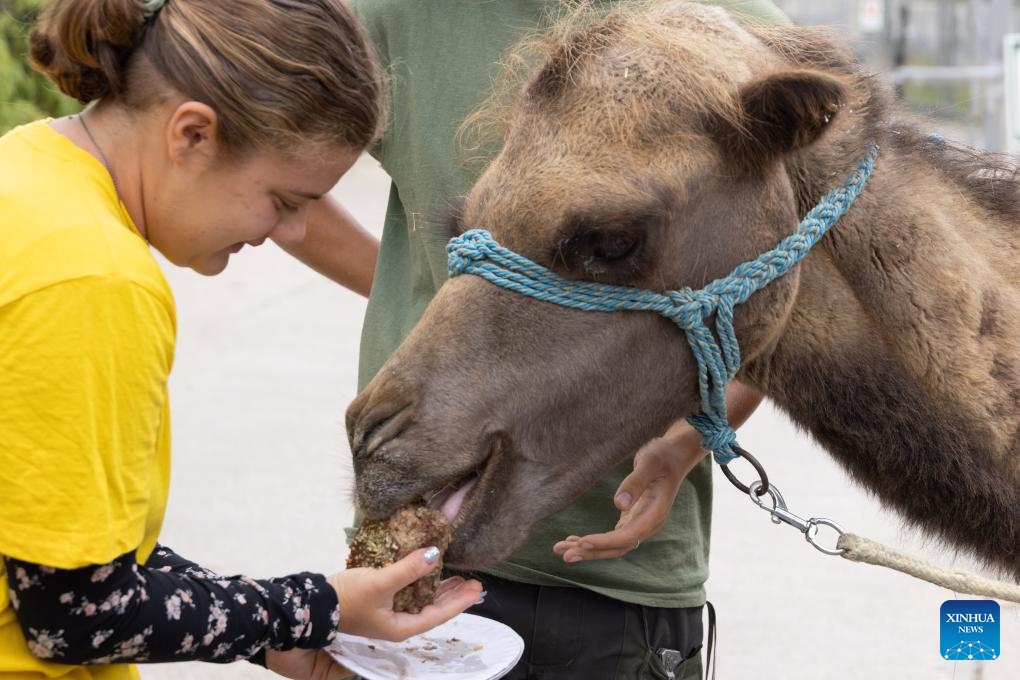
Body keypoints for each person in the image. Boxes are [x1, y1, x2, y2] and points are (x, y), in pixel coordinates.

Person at [282, 1, 788, 678]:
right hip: (416, 535)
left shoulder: (733, 33)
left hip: (619, 574)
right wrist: (437, 287)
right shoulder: (400, 18)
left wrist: (682, 447)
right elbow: (270, 168)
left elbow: (788, 290)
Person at [0, 1, 483, 679]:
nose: (289, 234)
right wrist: (311, 608)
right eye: (285, 201)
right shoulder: (95, 280)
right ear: (193, 134)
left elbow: (60, 552)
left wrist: (267, 630)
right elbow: (74, 612)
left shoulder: (26, 172)